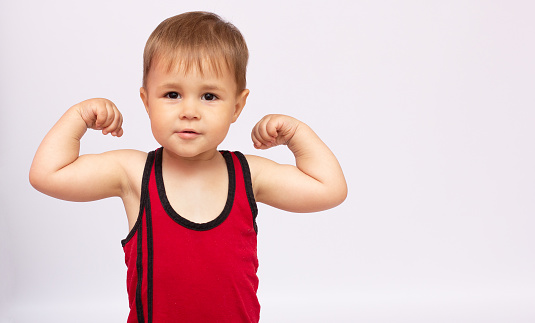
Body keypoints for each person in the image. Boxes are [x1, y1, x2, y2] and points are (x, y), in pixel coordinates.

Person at [29, 11, 347, 323]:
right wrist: (78, 117)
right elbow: (47, 174)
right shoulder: (134, 173)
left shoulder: (249, 174)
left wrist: (297, 134)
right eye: (172, 94)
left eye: (209, 96)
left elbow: (329, 189)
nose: (189, 111)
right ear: (147, 101)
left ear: (237, 106)